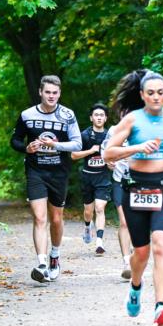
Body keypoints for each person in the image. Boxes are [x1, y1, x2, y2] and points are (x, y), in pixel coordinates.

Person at [103, 70, 163, 326]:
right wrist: (136, 148)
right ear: (143, 95)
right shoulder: (132, 121)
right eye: (151, 93)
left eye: (161, 92)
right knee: (141, 253)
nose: (157, 97)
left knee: (160, 246)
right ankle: (135, 286)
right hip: (135, 190)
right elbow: (109, 152)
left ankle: (161, 308)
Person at [10, 75, 82, 283]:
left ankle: (54, 256)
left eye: (55, 93)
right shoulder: (27, 115)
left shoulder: (67, 115)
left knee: (56, 219)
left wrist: (55, 146)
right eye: (48, 92)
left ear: (59, 94)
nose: (51, 96)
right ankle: (41, 263)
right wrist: (26, 147)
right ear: (40, 92)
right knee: (39, 217)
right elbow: (14, 140)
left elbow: (77, 144)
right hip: (36, 171)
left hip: (59, 173)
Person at [71, 103, 112, 255]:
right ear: (91, 118)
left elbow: (116, 154)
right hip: (87, 176)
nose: (99, 117)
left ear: (106, 118)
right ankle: (88, 227)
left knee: (100, 208)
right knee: (88, 211)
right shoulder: (84, 135)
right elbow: (73, 155)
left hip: (103, 177)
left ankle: (99, 242)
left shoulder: (110, 136)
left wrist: (112, 161)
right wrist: (91, 150)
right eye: (96, 115)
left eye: (102, 115)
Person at [101, 105, 134, 281]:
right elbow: (105, 151)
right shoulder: (114, 130)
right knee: (124, 222)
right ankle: (126, 263)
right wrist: (108, 162)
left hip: (142, 183)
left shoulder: (145, 130)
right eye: (124, 111)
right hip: (120, 181)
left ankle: (137, 255)